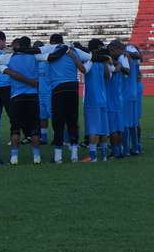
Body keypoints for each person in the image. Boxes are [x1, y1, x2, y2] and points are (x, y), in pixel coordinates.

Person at [44, 34, 90, 163]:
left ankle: (58, 156)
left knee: (58, 121)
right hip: (73, 87)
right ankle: (74, 154)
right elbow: (90, 57)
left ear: (52, 42)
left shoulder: (49, 49)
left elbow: (36, 53)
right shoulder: (74, 50)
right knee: (72, 120)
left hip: (58, 88)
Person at [1, 37, 42, 165]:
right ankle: (36, 157)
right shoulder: (35, 57)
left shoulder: (10, 58)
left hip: (16, 96)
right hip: (32, 96)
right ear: (29, 45)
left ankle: (14, 157)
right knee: (35, 127)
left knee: (15, 128)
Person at [82, 39, 113, 162]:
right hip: (103, 98)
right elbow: (107, 77)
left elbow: (83, 70)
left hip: (92, 100)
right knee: (103, 130)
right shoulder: (103, 62)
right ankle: (104, 156)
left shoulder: (90, 61)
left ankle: (93, 157)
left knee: (93, 130)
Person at [105, 40, 130, 159]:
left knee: (113, 129)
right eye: (121, 50)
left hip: (111, 100)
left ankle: (116, 152)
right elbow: (126, 71)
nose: (122, 52)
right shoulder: (117, 61)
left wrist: (117, 63)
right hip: (118, 99)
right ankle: (118, 150)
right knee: (118, 128)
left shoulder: (112, 63)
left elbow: (120, 69)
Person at [124, 44, 143, 155]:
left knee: (127, 122)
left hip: (127, 92)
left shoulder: (126, 56)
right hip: (135, 89)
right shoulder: (135, 62)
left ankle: (126, 148)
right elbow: (139, 56)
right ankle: (136, 146)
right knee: (134, 121)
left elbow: (137, 55)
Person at [33, 41, 52, 145]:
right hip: (38, 93)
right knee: (42, 117)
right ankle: (43, 138)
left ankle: (60, 137)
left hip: (49, 93)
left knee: (55, 117)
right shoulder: (34, 61)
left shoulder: (47, 60)